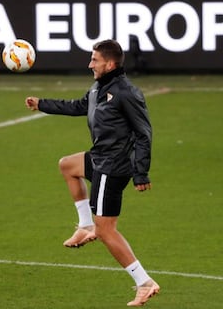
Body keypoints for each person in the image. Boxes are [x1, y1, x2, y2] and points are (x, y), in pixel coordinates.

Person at [25, 39, 159, 306]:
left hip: (114, 166)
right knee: (67, 165)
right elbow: (77, 106)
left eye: (94, 60)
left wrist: (141, 173)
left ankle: (144, 282)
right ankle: (85, 225)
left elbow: (144, 133)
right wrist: (42, 104)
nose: (90, 64)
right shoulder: (100, 87)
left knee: (107, 231)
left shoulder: (126, 92)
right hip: (101, 158)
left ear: (109, 64)